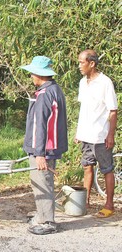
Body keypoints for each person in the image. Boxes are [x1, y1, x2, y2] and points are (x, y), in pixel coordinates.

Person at [20, 56, 68, 235]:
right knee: (39, 181)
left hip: (44, 149)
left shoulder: (46, 94)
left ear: (39, 74)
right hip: (48, 146)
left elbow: (41, 126)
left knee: (43, 183)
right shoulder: (54, 89)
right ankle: (41, 215)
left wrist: (39, 153)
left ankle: (48, 221)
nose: (31, 75)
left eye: (32, 72)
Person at [75, 49, 118, 218]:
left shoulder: (105, 82)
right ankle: (84, 202)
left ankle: (109, 205)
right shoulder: (82, 83)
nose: (79, 66)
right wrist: (79, 132)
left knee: (107, 169)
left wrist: (110, 135)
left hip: (101, 135)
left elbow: (113, 111)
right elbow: (83, 109)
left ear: (92, 63)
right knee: (87, 167)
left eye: (81, 62)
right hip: (86, 134)